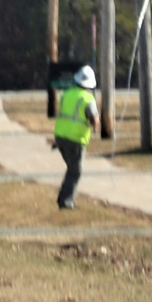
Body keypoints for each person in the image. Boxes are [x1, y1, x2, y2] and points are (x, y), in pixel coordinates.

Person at [53, 65, 100, 209]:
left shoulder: (66, 94)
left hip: (60, 136)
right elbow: (93, 118)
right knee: (75, 171)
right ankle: (66, 202)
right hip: (76, 139)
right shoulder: (87, 98)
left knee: (71, 169)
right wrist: (96, 125)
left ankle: (64, 197)